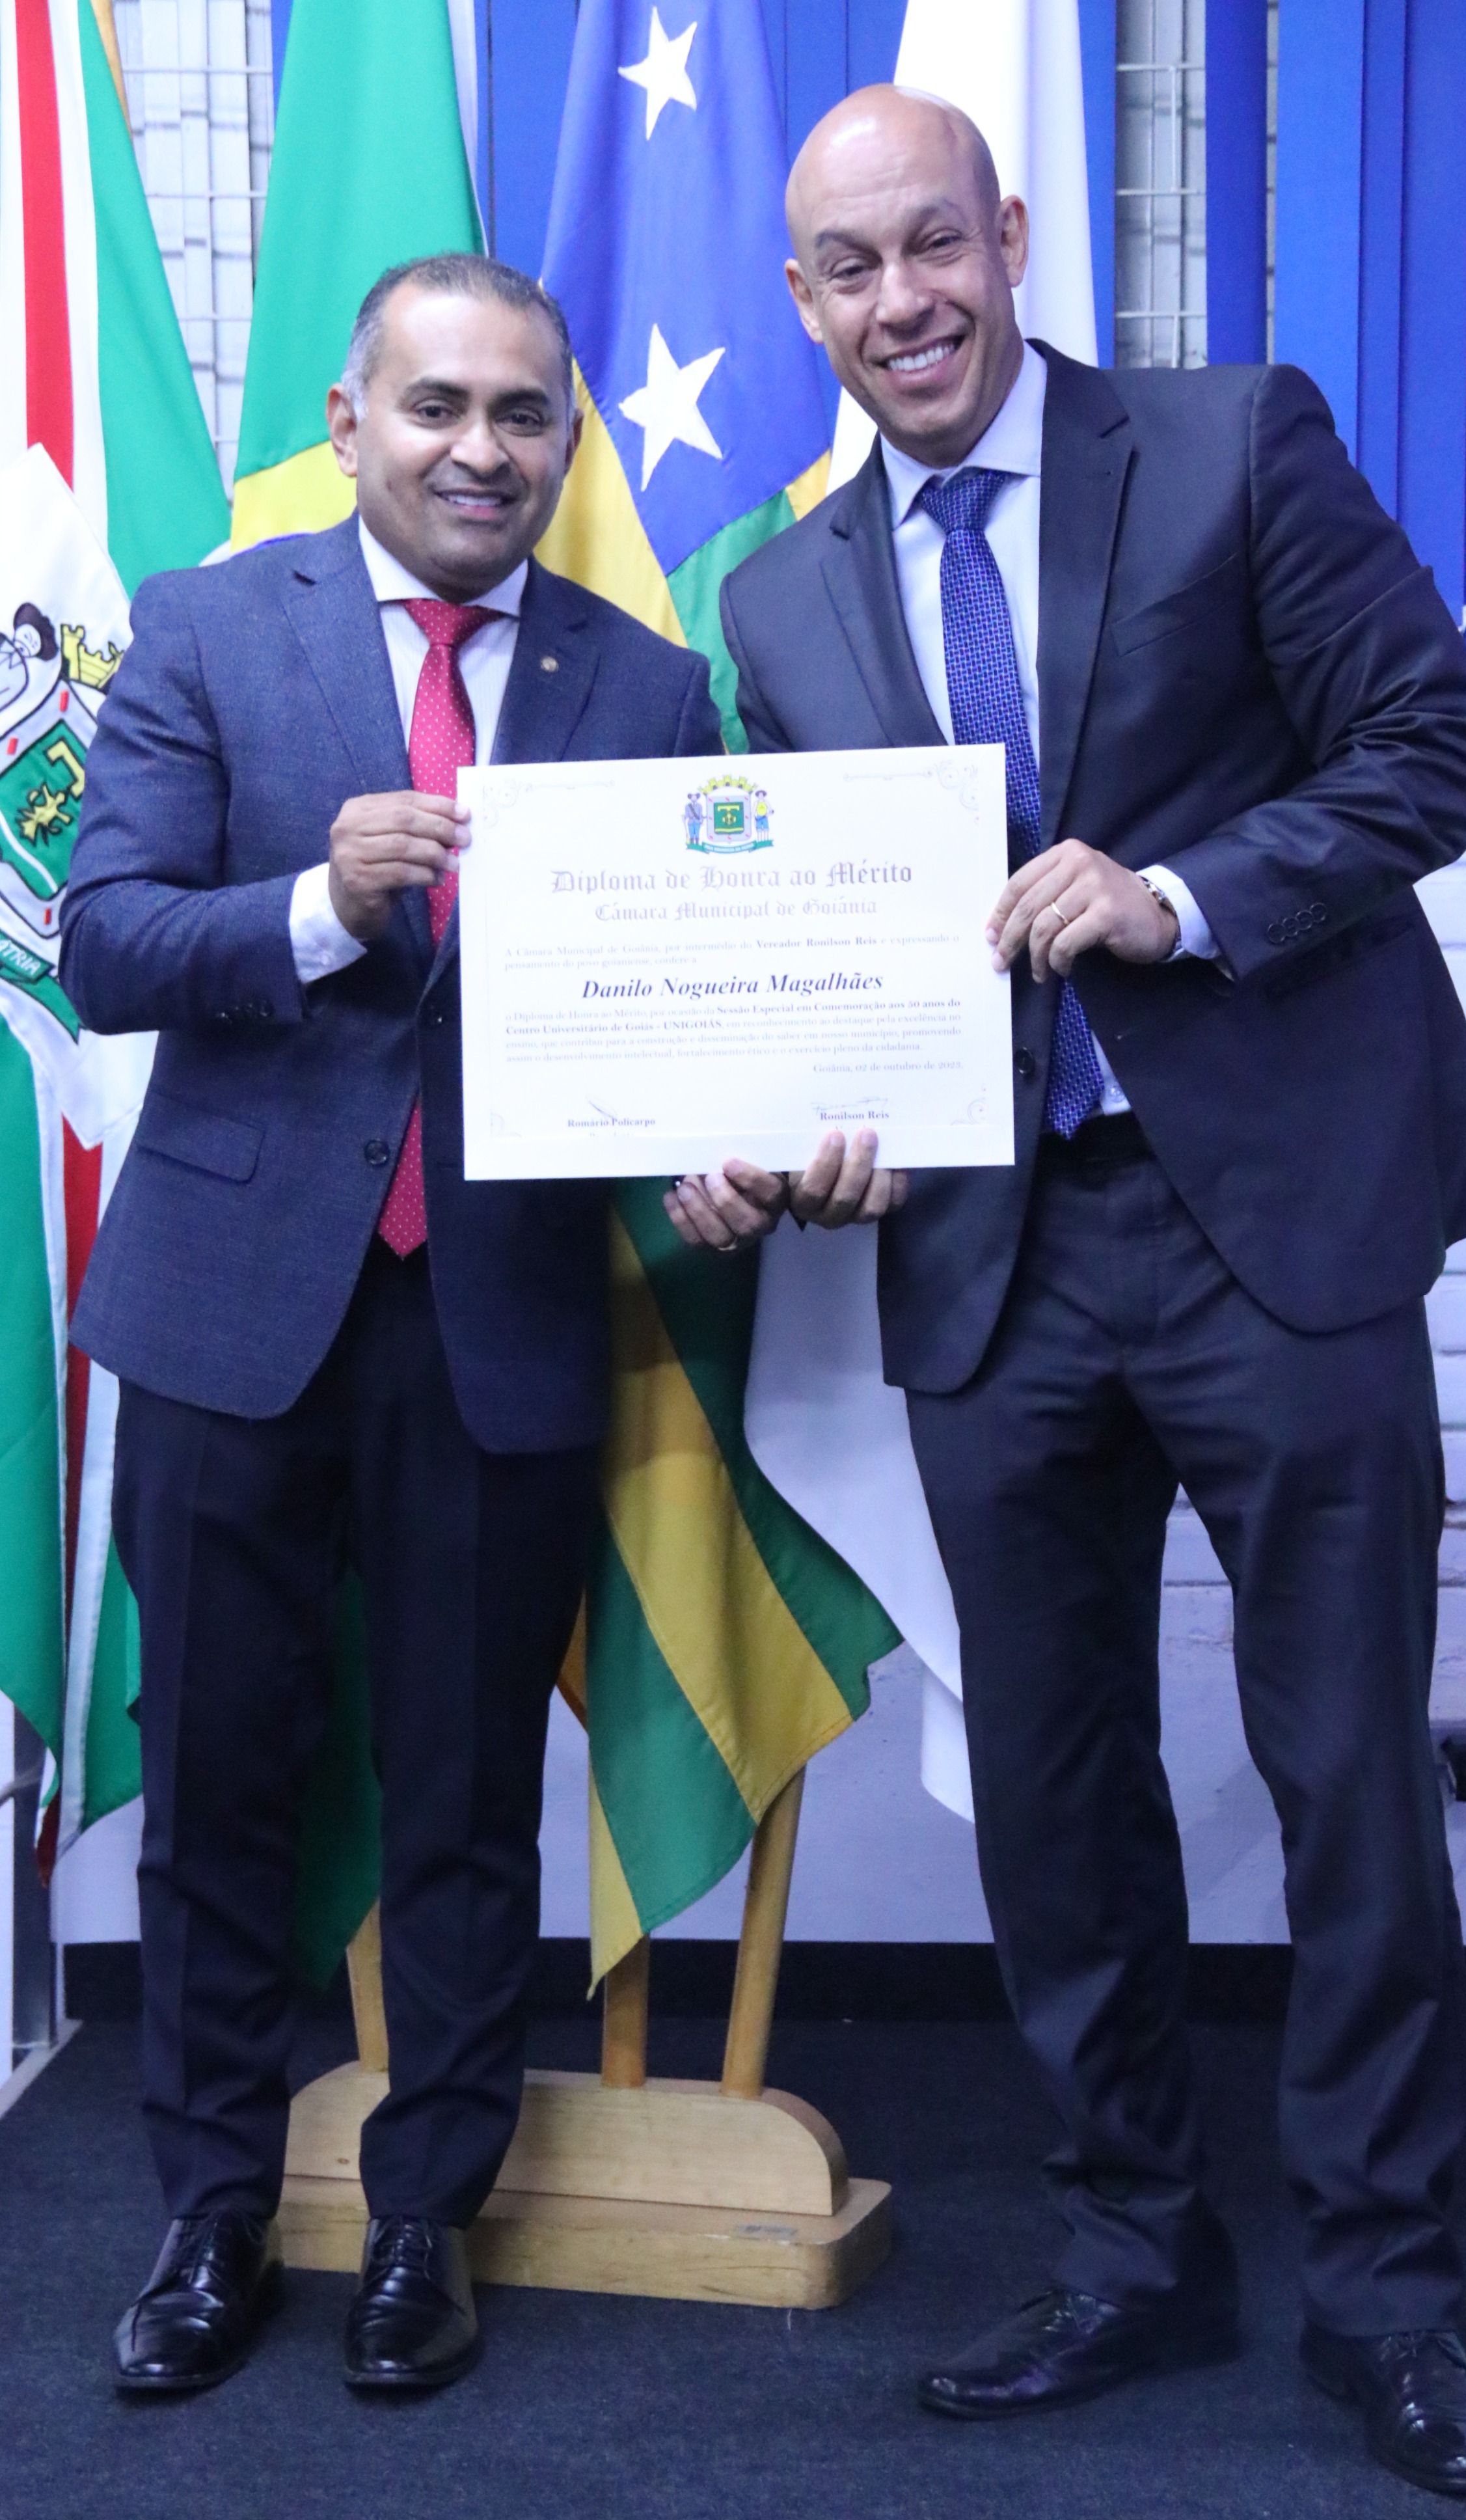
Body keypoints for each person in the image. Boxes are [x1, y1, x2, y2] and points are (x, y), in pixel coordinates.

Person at [710, 88, 1466, 2500]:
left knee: (1345, 1777)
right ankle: (1136, 2248)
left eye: (935, 246)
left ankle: (1387, 2300)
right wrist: (786, 1125)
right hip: (993, 1257)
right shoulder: (776, 597)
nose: (904, 304)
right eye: (851, 269)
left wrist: (1180, 898)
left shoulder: (1233, 439)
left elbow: (1435, 750)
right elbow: (812, 950)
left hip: (1279, 1218)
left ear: (1011, 235)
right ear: (802, 304)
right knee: (1057, 1795)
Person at [62, 253, 784, 2399]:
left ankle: (421, 2228)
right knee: (221, 1787)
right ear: (353, 419)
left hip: (501, 1321)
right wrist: (319, 898)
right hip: (230, 1316)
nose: (483, 449)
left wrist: (720, 1156)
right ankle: (210, 2219)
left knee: (468, 1802)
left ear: (565, 439)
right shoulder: (210, 627)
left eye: (524, 414)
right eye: (439, 406)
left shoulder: (645, 684)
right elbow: (104, 937)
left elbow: (679, 1014)